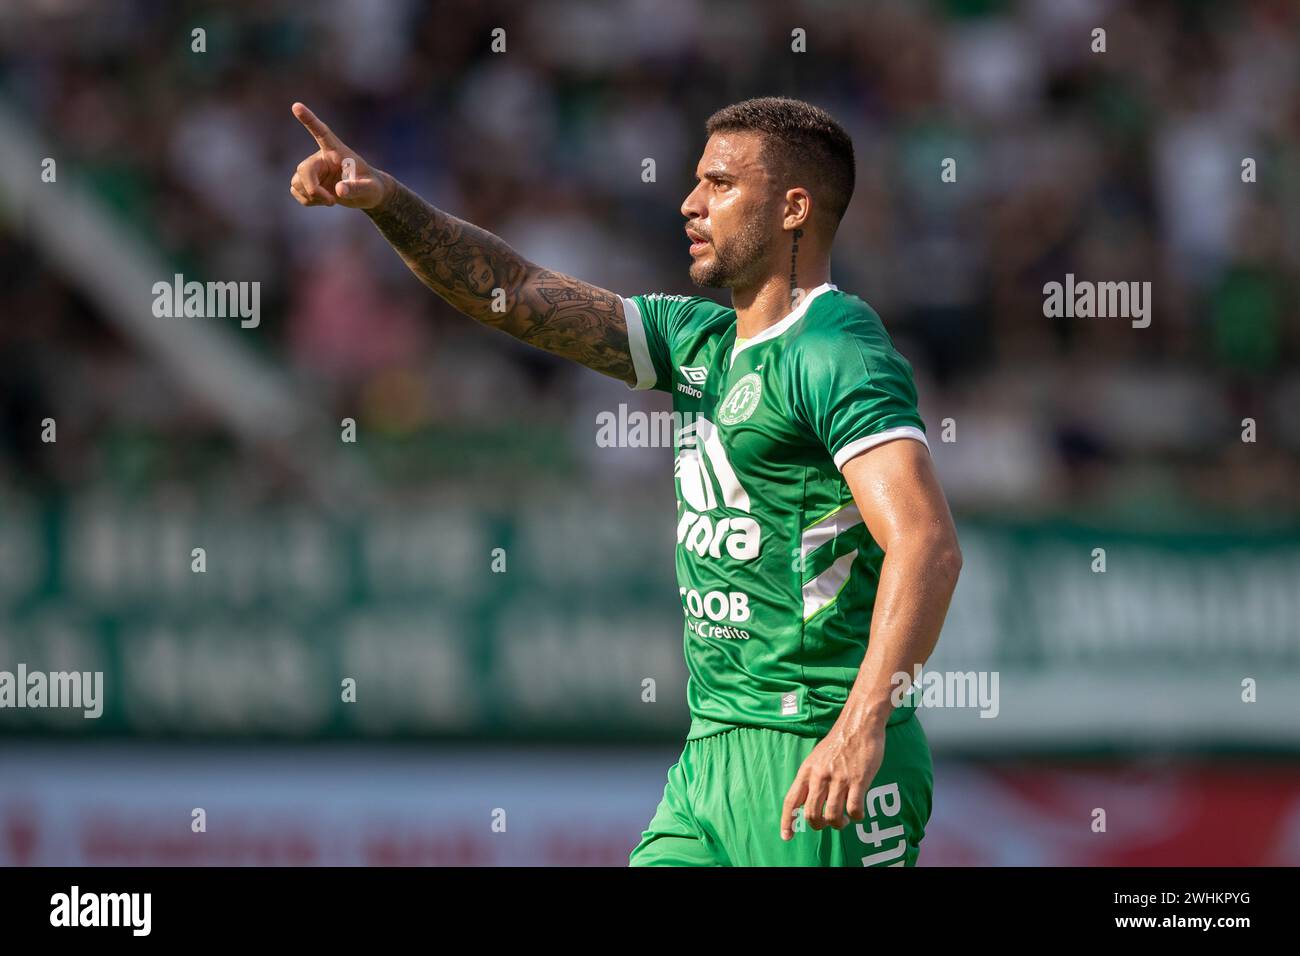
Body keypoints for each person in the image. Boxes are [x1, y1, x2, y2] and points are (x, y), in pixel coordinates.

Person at [289, 95, 962, 866]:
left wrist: (861, 724)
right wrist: (388, 202)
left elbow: (927, 545)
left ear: (793, 208)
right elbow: (514, 293)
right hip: (710, 758)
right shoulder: (696, 341)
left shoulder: (836, 349)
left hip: (818, 753)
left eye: (719, 184)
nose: (690, 203)